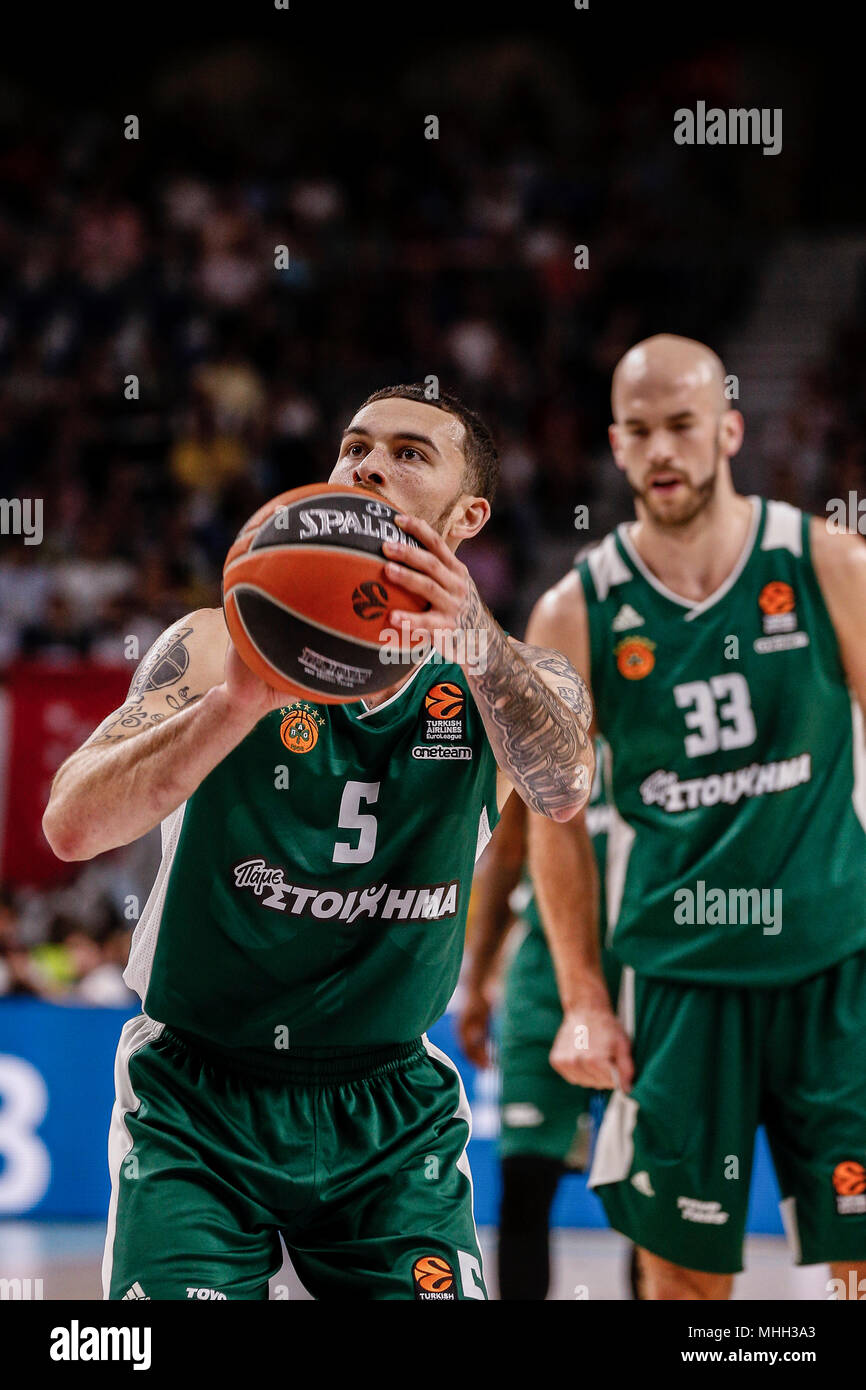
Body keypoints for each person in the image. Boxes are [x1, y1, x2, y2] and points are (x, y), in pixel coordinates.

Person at [42, 383, 595, 1302]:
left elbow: (567, 788)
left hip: (388, 1107)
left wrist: (479, 644)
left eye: (411, 453)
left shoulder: (511, 681)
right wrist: (238, 706)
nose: (368, 464)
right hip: (197, 1095)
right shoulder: (218, 646)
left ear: (469, 517)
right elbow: (71, 826)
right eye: (354, 447)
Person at [526, 334, 866, 1300]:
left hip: (836, 965)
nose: (663, 448)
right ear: (617, 448)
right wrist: (585, 999)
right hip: (677, 983)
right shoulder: (572, 610)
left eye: (682, 424)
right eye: (641, 431)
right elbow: (556, 820)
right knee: (681, 1280)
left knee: (861, 1266)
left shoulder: (827, 559)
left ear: (729, 429)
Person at [460, 734, 631, 1300]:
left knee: (651, 1193)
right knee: (525, 1179)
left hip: (645, 978)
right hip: (544, 980)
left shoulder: (660, 726)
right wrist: (480, 982)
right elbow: (507, 857)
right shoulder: (547, 745)